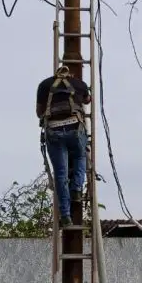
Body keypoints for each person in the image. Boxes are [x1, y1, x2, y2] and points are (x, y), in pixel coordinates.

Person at [36, 66, 91, 228]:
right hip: (75, 128)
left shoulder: (45, 85)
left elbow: (39, 112)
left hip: (54, 130)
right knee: (80, 157)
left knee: (61, 173)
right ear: (70, 73)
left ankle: (65, 217)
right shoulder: (79, 83)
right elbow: (88, 100)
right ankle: (76, 190)